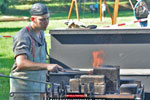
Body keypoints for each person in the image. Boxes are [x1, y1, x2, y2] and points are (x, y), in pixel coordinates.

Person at [9, 3, 65, 100]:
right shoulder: (23, 36)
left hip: (38, 87)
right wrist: (47, 66)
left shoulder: (41, 33)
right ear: (32, 19)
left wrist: (43, 88)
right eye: (42, 20)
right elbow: (21, 63)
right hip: (24, 89)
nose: (46, 22)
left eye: (48, 18)